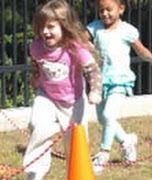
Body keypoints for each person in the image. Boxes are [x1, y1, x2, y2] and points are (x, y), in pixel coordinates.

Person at [22, 0, 102, 179]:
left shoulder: (74, 47)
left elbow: (92, 68)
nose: (45, 31)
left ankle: (78, 174)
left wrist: (95, 90)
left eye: (51, 26)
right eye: (42, 27)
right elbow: (38, 64)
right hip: (47, 96)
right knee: (37, 124)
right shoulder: (36, 46)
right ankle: (35, 172)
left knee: (76, 143)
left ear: (64, 26)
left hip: (73, 102)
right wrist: (35, 78)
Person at [86, 0, 152, 174]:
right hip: (100, 81)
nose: (105, 14)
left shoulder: (127, 30)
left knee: (109, 115)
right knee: (103, 118)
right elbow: (80, 41)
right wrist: (87, 47)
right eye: (101, 11)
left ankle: (103, 153)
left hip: (120, 81)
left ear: (121, 9)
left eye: (109, 9)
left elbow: (141, 50)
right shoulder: (94, 28)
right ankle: (126, 141)